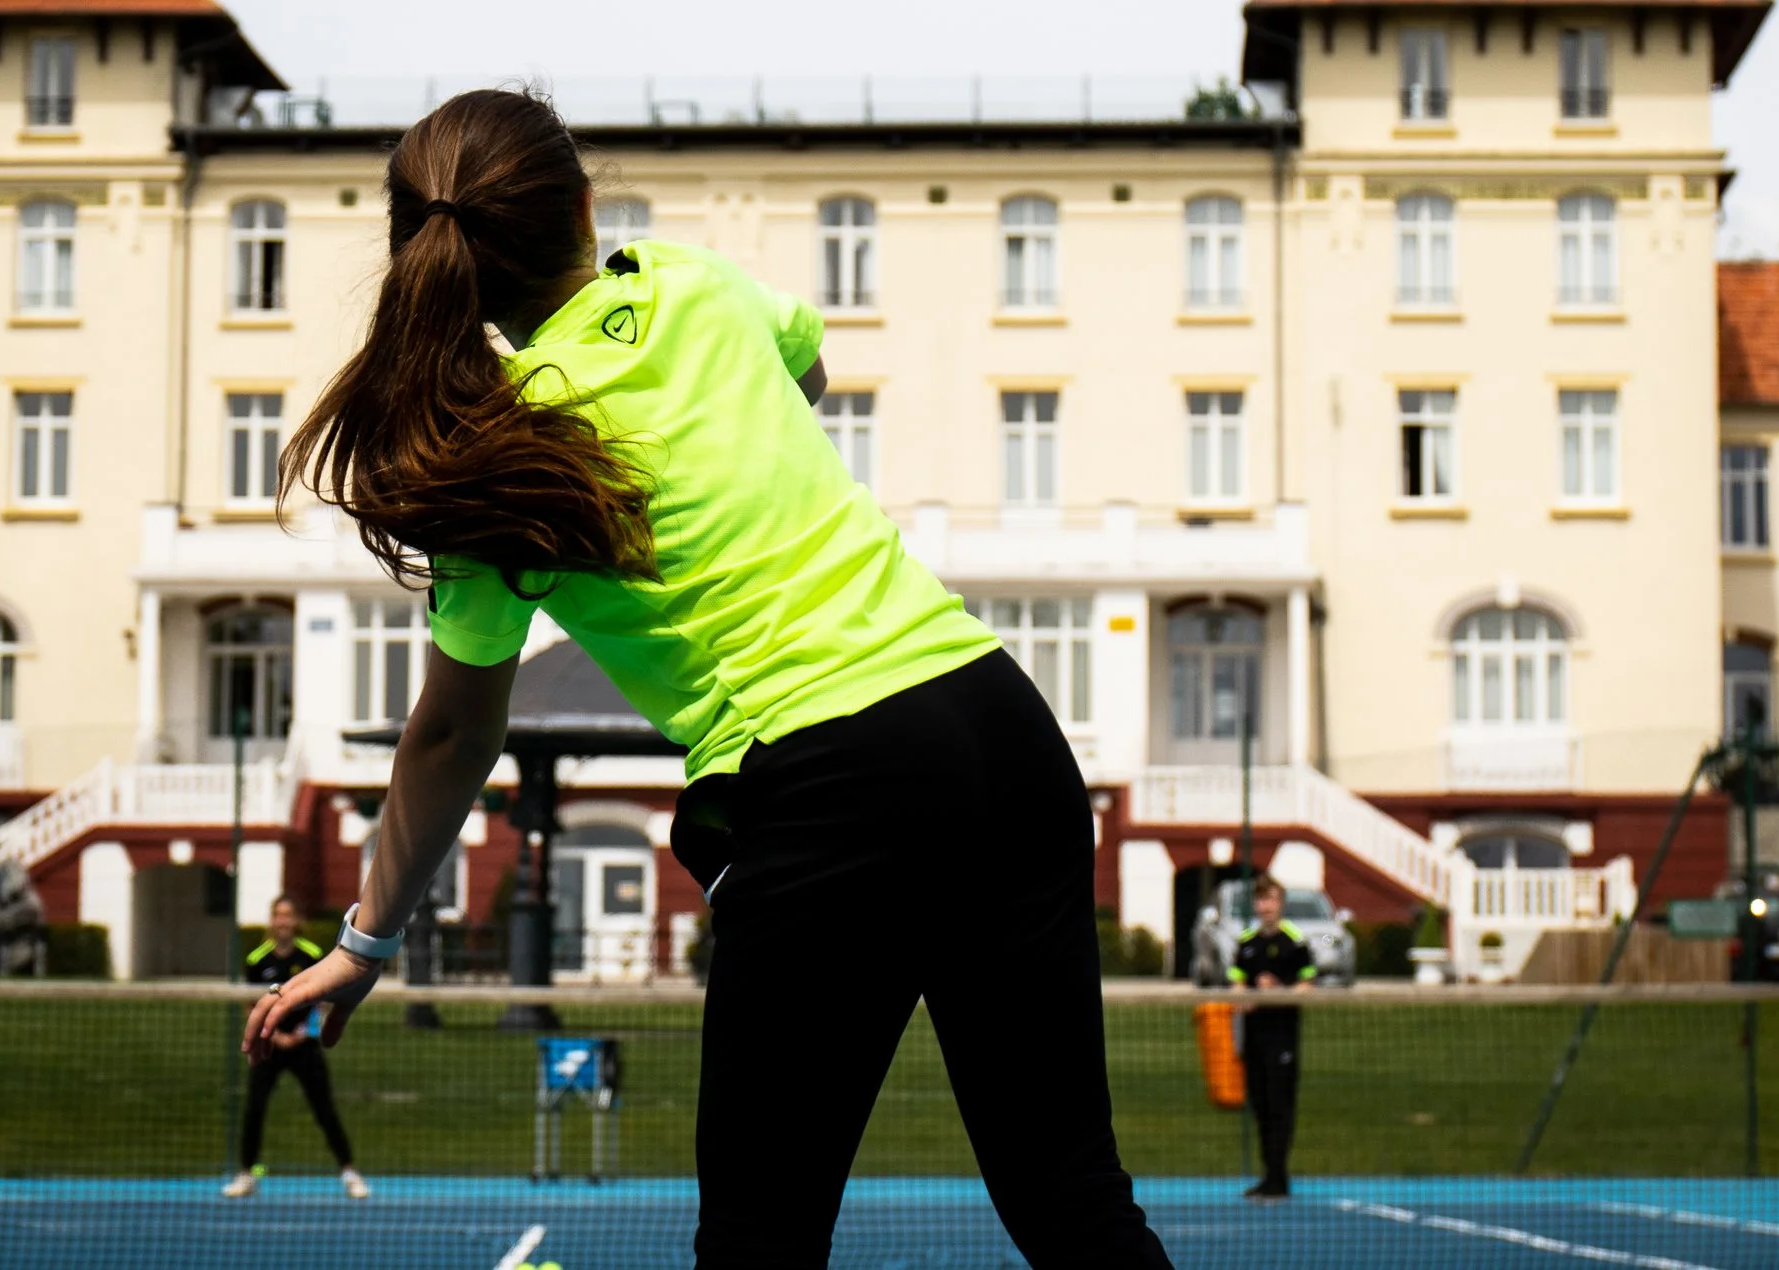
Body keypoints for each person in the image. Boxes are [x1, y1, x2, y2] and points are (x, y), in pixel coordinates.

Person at [243, 88, 1170, 1269]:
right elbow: (809, 373)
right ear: (585, 208)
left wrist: (362, 946)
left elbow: (447, 737)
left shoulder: (492, 461)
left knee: (759, 1240)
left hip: (827, 780)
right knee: (1069, 1194)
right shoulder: (688, 279)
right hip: (998, 722)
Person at [225, 896, 369, 1201]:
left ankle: (349, 1171)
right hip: (270, 1045)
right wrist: (274, 1035)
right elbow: (250, 1004)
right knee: (255, 1108)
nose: (283, 921)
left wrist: (305, 1032)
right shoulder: (257, 960)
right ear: (272, 921)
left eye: (288, 915)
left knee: (324, 1109)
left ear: (297, 921)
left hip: (305, 1045)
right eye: (278, 915)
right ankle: (246, 1173)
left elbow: (324, 999)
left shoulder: (312, 955)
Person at [1226, 873, 1315, 1200]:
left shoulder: (1295, 941)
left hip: (1283, 1038)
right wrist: (1244, 997)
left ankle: (1279, 1176)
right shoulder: (1246, 943)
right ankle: (1269, 1176)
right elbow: (1236, 983)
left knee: (1281, 1106)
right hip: (1254, 1038)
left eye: (1272, 900)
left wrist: (1278, 991)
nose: (1266, 906)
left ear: (1281, 904)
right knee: (1261, 1106)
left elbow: (1307, 985)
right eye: (1262, 900)